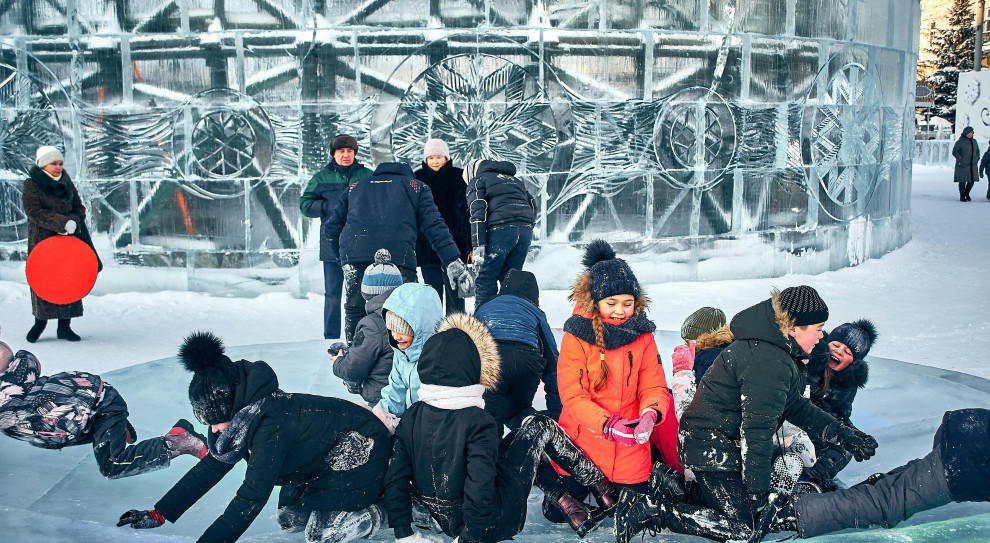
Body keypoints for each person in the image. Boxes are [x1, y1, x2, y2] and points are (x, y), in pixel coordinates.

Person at [614, 286, 879, 543]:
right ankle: (649, 511)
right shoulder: (767, 360)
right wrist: (758, 494)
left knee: (742, 513)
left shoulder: (778, 352)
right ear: (794, 328)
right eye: (819, 330)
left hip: (721, 442)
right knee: (742, 528)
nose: (822, 338)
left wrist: (843, 434)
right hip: (710, 446)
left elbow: (796, 407)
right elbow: (757, 433)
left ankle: (674, 488)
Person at [116, 331, 392, 543]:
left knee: (322, 535)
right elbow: (211, 467)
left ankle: (380, 512)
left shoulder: (270, 424)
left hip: (362, 455)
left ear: (231, 410)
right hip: (318, 462)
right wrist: (161, 513)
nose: (213, 431)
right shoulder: (245, 414)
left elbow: (252, 495)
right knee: (289, 518)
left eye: (216, 422)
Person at [382, 313, 618, 543]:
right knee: (540, 425)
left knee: (524, 442)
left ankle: (573, 508)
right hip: (489, 522)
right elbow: (479, 483)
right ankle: (602, 489)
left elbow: (396, 477)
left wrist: (404, 532)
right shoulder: (477, 420)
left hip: (446, 518)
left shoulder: (413, 414)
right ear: (471, 366)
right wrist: (470, 537)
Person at [548, 240, 672, 529]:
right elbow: (573, 396)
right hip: (584, 442)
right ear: (596, 302)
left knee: (633, 515)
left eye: (627, 303)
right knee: (557, 514)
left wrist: (650, 415)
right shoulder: (576, 335)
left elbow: (654, 386)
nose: (620, 311)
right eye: (612, 303)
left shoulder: (643, 336)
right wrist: (607, 424)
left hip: (629, 443)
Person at [752, 408, 990, 540]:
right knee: (887, 503)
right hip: (969, 459)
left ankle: (879, 482)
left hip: (966, 426)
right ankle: (789, 512)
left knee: (903, 484)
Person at [0, 341, 206, 479]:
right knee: (49, 437)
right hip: (84, 411)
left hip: (100, 407)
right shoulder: (16, 378)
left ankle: (179, 441)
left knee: (113, 464)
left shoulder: (9, 391)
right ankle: (114, 430)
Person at [324, 161, 474, 343]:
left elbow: (331, 228)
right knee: (406, 308)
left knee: (356, 308)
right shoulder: (415, 186)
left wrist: (343, 259)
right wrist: (451, 259)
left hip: (355, 253)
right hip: (398, 255)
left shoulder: (356, 186)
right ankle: (404, 358)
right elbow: (434, 226)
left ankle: (356, 353)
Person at [22, 145, 102, 343]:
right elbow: (34, 211)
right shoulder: (32, 184)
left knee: (68, 281)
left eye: (60, 163)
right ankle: (40, 322)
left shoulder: (66, 182)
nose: (58, 167)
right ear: (43, 165)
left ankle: (64, 327)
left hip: (68, 242)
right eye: (53, 164)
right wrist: (61, 223)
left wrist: (73, 220)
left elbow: (78, 206)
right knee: (44, 282)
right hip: (43, 243)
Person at [300, 135, 374, 341]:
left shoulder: (367, 175)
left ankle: (363, 336)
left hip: (361, 245)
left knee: (361, 294)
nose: (346, 155)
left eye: (350, 151)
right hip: (331, 245)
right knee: (332, 295)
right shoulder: (321, 177)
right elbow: (305, 205)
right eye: (341, 151)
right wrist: (326, 206)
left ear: (355, 153)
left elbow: (379, 200)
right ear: (333, 154)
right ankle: (331, 338)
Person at [474, 269, 562, 431]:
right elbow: (552, 359)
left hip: (492, 362)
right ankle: (535, 433)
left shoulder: (484, 307)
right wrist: (557, 411)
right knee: (518, 412)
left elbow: (470, 342)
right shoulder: (535, 312)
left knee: (491, 417)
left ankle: (492, 452)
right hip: (526, 361)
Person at [800, 319, 878, 492]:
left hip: (814, 426)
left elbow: (839, 415)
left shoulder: (846, 384)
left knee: (845, 446)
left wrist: (857, 436)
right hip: (791, 417)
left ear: (854, 363)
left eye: (848, 351)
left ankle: (809, 481)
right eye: (836, 344)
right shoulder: (807, 359)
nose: (839, 351)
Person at [331, 249, 403, 406]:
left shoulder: (372, 324)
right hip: (410, 397)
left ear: (367, 292)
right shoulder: (411, 316)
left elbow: (353, 369)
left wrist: (338, 361)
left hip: (384, 400)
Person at [463, 159, 537, 308]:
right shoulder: (515, 180)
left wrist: (478, 245)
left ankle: (485, 321)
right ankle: (510, 318)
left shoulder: (478, 180)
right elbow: (532, 203)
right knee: (510, 278)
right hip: (524, 232)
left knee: (485, 278)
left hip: (500, 232)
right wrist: (527, 227)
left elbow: (478, 212)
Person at [371, 282, 444, 432]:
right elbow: (396, 389)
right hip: (412, 427)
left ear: (422, 328)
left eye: (403, 330)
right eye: (392, 330)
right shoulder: (403, 354)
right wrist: (382, 413)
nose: (396, 336)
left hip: (433, 431)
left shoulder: (440, 357)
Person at [415, 139, 470, 315]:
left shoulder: (459, 177)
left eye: (439, 157)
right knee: (432, 294)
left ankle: (455, 332)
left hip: (455, 247)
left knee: (456, 295)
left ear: (446, 157)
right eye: (431, 157)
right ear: (425, 159)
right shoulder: (417, 178)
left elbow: (466, 214)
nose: (435, 161)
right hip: (426, 246)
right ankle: (434, 333)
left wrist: (468, 246)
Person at [677, 306, 728, 381]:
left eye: (688, 341)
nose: (686, 346)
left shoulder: (709, 357)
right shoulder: (722, 351)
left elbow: (701, 390)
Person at [952, 126, 979, 202]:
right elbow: (955, 152)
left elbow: (977, 151)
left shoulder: (974, 141)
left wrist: (976, 158)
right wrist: (960, 159)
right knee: (962, 181)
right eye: (970, 132)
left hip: (972, 165)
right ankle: (962, 196)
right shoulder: (959, 142)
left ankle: (967, 193)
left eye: (972, 133)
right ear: (966, 133)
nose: (971, 134)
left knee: (971, 180)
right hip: (962, 165)